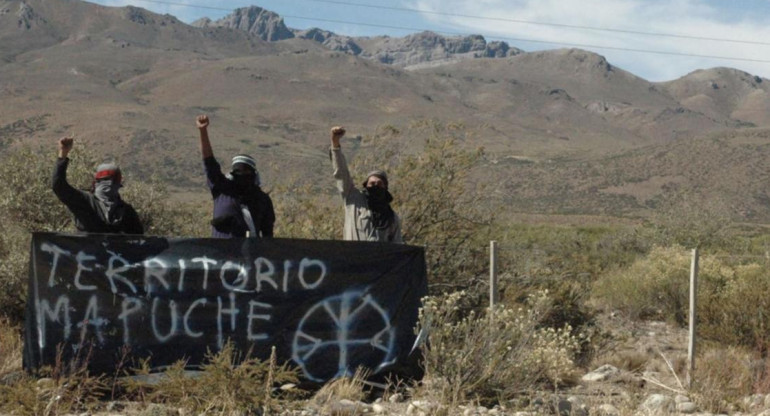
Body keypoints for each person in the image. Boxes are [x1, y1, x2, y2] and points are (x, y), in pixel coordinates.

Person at [196, 115, 275, 238]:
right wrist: (203, 131)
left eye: (246, 172)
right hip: (220, 255)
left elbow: (268, 236)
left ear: (253, 175)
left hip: (249, 255)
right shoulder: (222, 189)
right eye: (238, 171)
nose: (242, 175)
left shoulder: (262, 200)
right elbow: (209, 162)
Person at [52, 137, 144, 234]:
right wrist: (63, 153)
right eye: (104, 181)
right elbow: (59, 185)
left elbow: (138, 241)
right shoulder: (84, 201)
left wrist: (63, 153)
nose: (108, 185)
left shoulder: (127, 212)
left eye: (112, 181)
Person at [330, 126, 402, 243]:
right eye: (372, 183)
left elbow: (397, 247)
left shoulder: (391, 217)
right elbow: (341, 173)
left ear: (385, 187)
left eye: (379, 183)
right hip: (353, 258)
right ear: (366, 185)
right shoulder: (353, 199)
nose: (375, 186)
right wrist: (335, 143)